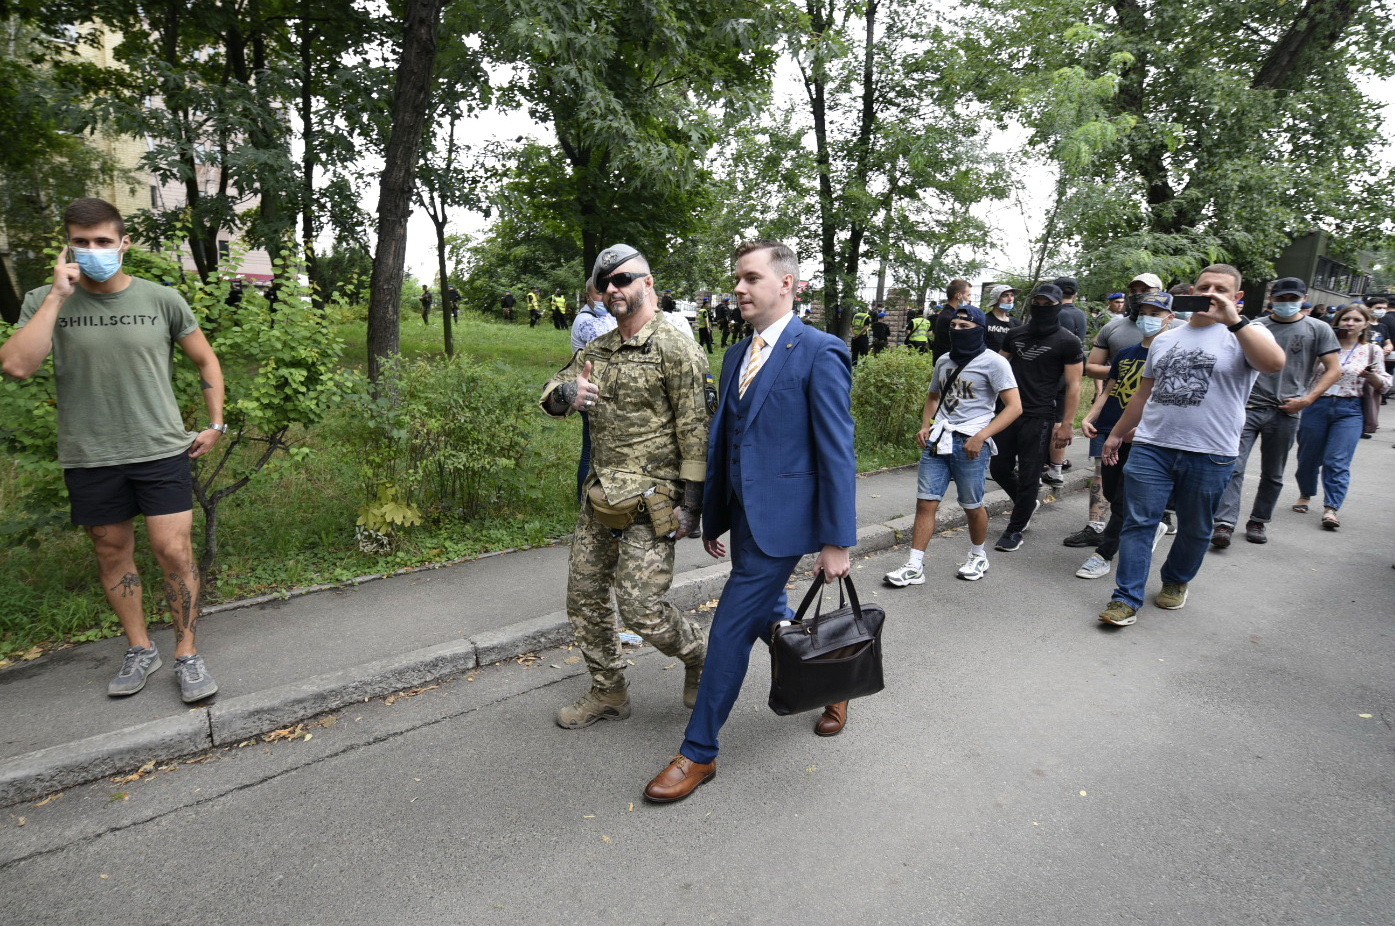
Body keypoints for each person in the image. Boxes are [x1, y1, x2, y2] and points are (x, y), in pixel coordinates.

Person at [642, 239, 856, 804]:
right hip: (743, 517)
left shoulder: (821, 350)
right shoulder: (737, 354)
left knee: (731, 626)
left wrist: (836, 540)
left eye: (751, 278)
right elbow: (726, 441)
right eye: (738, 278)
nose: (739, 287)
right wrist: (715, 514)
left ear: (787, 284)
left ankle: (699, 753)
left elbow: (837, 450)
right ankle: (833, 681)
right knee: (772, 615)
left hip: (784, 523)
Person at [0, 197, 226, 702]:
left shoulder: (161, 300)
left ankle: (187, 654)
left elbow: (206, 362)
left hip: (160, 448)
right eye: (81, 243)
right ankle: (141, 649)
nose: (92, 251)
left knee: (173, 550)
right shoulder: (44, 299)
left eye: (103, 241)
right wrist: (58, 297)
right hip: (90, 454)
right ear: (68, 247)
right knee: (111, 553)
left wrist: (215, 424)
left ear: (124, 244)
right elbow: (17, 365)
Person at [539, 244, 710, 730]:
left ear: (648, 283)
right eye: (605, 283)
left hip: (654, 502)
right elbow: (551, 392)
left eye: (623, 280)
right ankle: (609, 690)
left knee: (640, 609)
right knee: (584, 598)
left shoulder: (676, 348)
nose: (613, 289)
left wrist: (692, 509)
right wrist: (569, 395)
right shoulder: (598, 349)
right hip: (601, 498)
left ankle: (700, 654)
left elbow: (697, 432)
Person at [1097, 263, 1285, 627]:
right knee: (1139, 523)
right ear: (1192, 292)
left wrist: (1235, 321)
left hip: (1211, 451)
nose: (1211, 294)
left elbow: (1274, 363)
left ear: (1237, 298)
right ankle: (1125, 598)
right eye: (1204, 287)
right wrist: (1118, 433)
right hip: (1153, 445)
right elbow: (1142, 395)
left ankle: (1176, 579)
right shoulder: (1168, 338)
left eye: (1221, 289)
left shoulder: (1247, 333)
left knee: (1197, 527)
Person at [884, 305, 1021, 586]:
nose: (956, 331)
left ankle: (978, 555)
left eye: (964, 327)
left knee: (971, 505)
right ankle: (914, 566)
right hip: (939, 440)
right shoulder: (944, 360)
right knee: (925, 503)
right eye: (954, 326)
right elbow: (933, 396)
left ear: (979, 331)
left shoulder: (995, 363)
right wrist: (926, 425)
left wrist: (982, 436)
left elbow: (1014, 407)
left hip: (971, 443)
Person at [1211, 278, 1341, 547]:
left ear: (1303, 297)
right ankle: (1224, 523)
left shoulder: (1317, 328)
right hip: (1247, 408)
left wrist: (1307, 400)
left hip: (1286, 411)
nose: (1285, 303)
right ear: (1272, 298)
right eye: (1280, 299)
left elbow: (1334, 368)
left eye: (1292, 298)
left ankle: (1259, 520)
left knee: (1273, 472)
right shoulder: (1253, 327)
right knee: (1233, 467)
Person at [1075, 294, 1176, 580]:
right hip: (1111, 430)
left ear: (1170, 317)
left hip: (1144, 437)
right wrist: (1090, 416)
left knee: (1122, 498)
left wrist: (1140, 428)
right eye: (1144, 312)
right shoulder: (1126, 353)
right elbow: (1109, 390)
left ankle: (1104, 553)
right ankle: (1151, 525)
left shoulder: (1169, 354)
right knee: (1110, 490)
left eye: (1156, 313)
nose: (1149, 318)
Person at [990, 283, 1084, 553]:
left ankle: (1015, 528)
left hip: (1040, 415)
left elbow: (1075, 385)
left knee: (1031, 474)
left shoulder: (1068, 341)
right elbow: (997, 367)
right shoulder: (1015, 334)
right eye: (1038, 303)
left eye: (1048, 304)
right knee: (999, 468)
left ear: (1058, 306)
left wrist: (1067, 425)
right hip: (1009, 411)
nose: (1041, 308)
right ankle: (1026, 503)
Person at [1291, 304, 1391, 530]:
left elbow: (1385, 384)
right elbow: (1303, 375)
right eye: (1346, 319)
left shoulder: (1372, 351)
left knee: (1337, 459)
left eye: (1356, 320)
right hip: (1317, 404)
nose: (1350, 323)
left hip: (1350, 408)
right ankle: (1305, 494)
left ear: (1366, 324)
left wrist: (1372, 376)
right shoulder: (1324, 347)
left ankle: (1331, 507)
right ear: (1337, 321)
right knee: (1308, 456)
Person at [569, 281, 619, 504]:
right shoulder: (587, 321)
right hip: (590, 390)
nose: (603, 296)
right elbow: (614, 343)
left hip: (602, 390)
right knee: (590, 451)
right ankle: (584, 501)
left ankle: (601, 499)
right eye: (598, 292)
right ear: (587, 295)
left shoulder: (602, 317)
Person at [1042, 276, 1088, 489]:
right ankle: (1056, 469)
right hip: (1073, 371)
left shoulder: (1056, 314)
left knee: (1047, 420)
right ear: (1076, 294)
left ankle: (1043, 465)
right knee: (1059, 418)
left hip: (1053, 372)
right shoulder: (1080, 315)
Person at [931, 279, 974, 361]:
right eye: (968, 295)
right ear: (958, 296)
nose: (970, 299)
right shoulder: (951, 317)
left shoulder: (949, 313)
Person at [983, 284, 1017, 351]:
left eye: (1012, 295)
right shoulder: (984, 321)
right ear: (996, 300)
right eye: (1005, 295)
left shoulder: (1016, 323)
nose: (1010, 299)